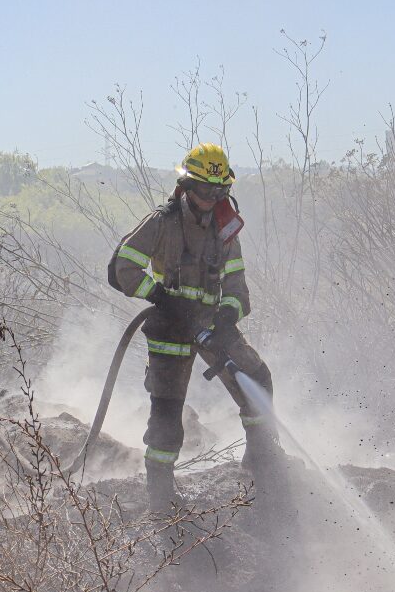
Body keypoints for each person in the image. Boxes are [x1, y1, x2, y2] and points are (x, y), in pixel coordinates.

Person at [109, 143, 287, 511]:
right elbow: (121, 268)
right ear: (188, 185)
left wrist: (227, 317)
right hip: (170, 327)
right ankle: (161, 495)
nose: (211, 198)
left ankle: (260, 459)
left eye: (219, 191)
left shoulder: (225, 228)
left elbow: (237, 286)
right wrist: (159, 296)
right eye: (205, 190)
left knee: (258, 379)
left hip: (210, 324)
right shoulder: (162, 222)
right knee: (167, 414)